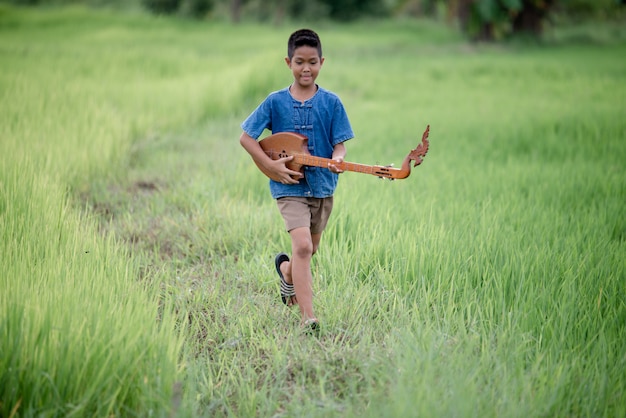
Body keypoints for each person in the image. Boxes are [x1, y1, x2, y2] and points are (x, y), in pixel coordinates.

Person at [239, 29, 354, 333]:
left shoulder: (332, 103)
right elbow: (246, 137)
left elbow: (340, 143)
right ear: (288, 62)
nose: (306, 68)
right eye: (300, 62)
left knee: (310, 250)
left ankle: (287, 272)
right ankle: (308, 318)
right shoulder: (275, 102)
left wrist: (339, 157)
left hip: (322, 187)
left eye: (312, 62)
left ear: (322, 62)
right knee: (302, 245)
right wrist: (269, 166)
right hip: (287, 185)